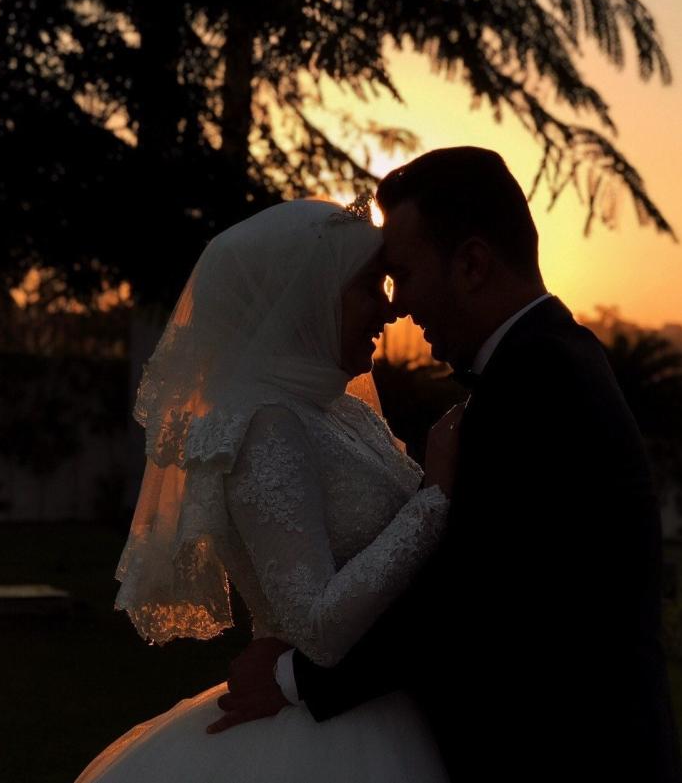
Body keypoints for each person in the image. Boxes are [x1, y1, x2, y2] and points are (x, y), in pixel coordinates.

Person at [214, 147, 682, 782]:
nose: (398, 304)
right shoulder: (545, 360)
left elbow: (469, 596)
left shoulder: (538, 380)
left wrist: (291, 678)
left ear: (471, 263)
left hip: (569, 751)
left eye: (403, 274)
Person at [73, 198, 461, 782]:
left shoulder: (340, 412)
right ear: (303, 298)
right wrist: (435, 497)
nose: (388, 309)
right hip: (324, 737)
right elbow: (317, 626)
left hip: (379, 702)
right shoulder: (264, 424)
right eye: (365, 288)